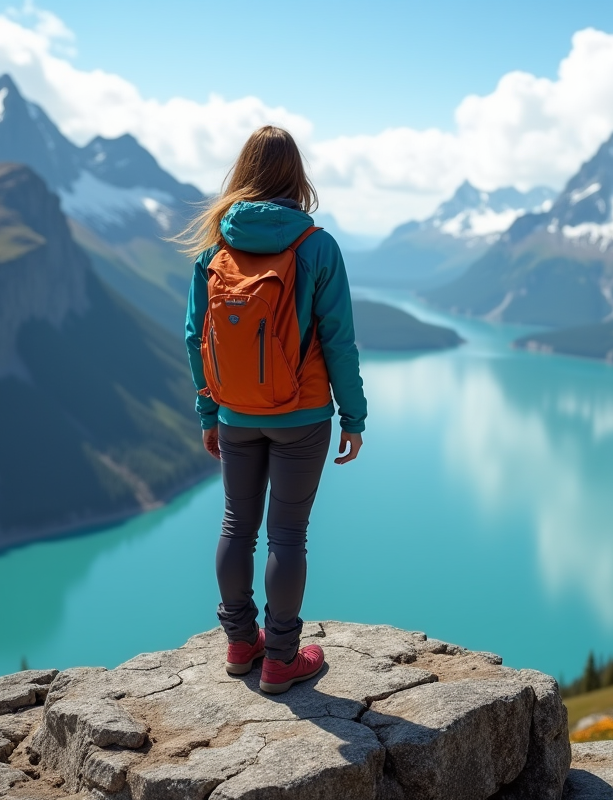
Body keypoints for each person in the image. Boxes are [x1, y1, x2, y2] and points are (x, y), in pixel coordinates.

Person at [177, 126, 366, 694]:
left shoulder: (216, 247)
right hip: (302, 414)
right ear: (296, 176)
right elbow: (339, 341)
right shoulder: (317, 246)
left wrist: (209, 412)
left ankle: (240, 643)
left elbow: (195, 337)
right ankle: (282, 658)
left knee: (237, 525)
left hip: (236, 413)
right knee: (287, 535)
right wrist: (353, 418)